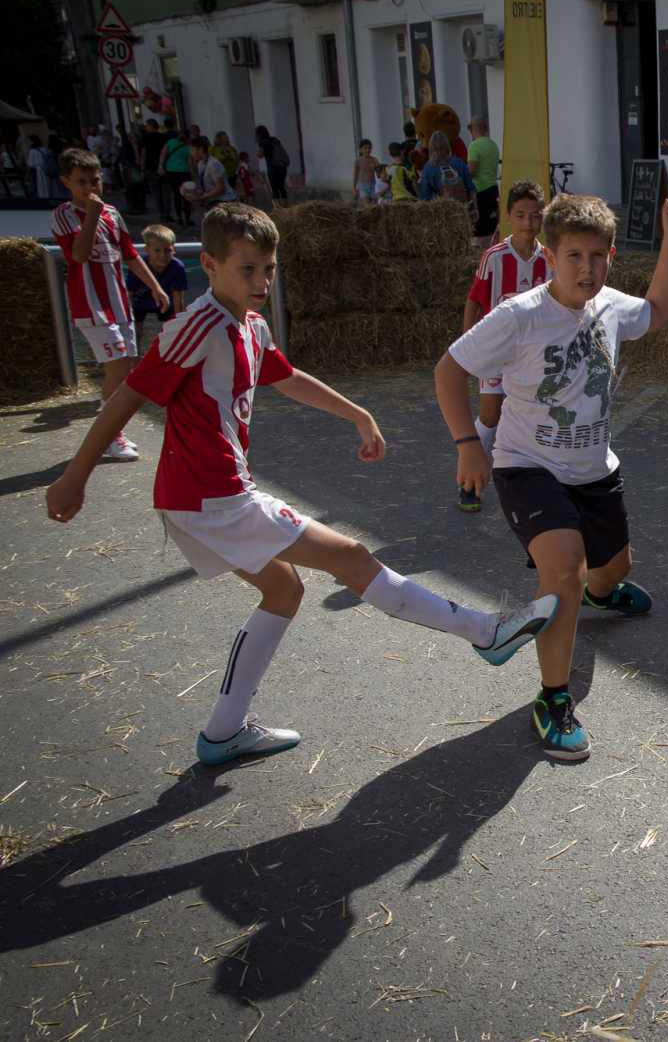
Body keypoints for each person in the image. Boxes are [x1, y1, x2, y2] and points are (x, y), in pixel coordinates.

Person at [44, 203, 558, 768]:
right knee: (354, 557)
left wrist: (357, 413)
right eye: (248, 269)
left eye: (269, 268)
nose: (262, 280)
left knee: (284, 590)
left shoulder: (251, 324)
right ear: (209, 265)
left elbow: (285, 378)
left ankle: (224, 731)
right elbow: (130, 394)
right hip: (214, 495)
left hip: (199, 499)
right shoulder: (197, 326)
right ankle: (485, 632)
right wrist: (76, 475)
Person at [433, 194, 668, 760]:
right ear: (549, 255)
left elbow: (659, 309)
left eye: (598, 256)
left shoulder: (610, 308)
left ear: (611, 256)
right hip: (526, 466)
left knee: (610, 570)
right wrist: (466, 446)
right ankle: (553, 698)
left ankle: (604, 591)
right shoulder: (519, 315)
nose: (587, 268)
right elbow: (449, 370)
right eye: (573, 255)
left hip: (594, 471)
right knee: (565, 571)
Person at [50, 147, 169, 463]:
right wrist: (91, 214)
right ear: (66, 182)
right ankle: (109, 434)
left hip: (119, 303)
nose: (90, 188)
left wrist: (155, 287)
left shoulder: (113, 214)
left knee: (127, 369)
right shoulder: (63, 215)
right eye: (81, 182)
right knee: (117, 368)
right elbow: (78, 254)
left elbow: (130, 256)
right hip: (91, 306)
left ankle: (111, 430)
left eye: (95, 180)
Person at [453, 179, 554, 512]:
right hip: (497, 353)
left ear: (543, 217)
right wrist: (470, 347)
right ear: (509, 216)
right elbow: (474, 301)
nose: (528, 222)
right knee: (491, 415)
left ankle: (535, 483)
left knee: (535, 416)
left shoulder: (550, 260)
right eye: (521, 215)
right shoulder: (494, 258)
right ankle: (470, 483)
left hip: (534, 357)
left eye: (535, 215)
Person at [126, 222, 188, 350]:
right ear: (147, 249)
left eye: (168, 250)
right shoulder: (140, 266)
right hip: (140, 299)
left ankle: (170, 351)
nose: (163, 255)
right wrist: (127, 318)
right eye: (157, 250)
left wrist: (180, 324)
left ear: (174, 249)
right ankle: (134, 355)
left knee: (172, 328)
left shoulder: (177, 267)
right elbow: (129, 293)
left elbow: (178, 299)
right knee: (135, 331)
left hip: (165, 300)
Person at [466, 117, 501, 247]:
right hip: (493, 187)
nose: (470, 132)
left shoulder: (474, 146)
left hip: (480, 189)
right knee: (492, 226)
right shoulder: (493, 145)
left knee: (480, 229)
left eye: (470, 128)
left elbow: (471, 171)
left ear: (475, 129)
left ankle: (483, 258)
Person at [418, 131, 474, 203]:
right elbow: (471, 189)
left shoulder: (427, 168)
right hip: (462, 208)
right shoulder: (459, 163)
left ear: (431, 148)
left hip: (440, 210)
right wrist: (474, 210)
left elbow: (425, 197)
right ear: (447, 146)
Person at [185, 137, 235, 214]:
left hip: (224, 202)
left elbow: (221, 188)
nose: (191, 153)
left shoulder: (213, 164)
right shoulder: (201, 164)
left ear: (201, 150)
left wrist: (201, 197)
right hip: (213, 202)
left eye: (192, 150)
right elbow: (207, 185)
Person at [162, 124, 193, 226]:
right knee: (187, 196)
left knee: (177, 195)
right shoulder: (188, 147)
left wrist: (160, 167)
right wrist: (192, 173)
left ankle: (179, 217)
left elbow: (163, 154)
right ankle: (188, 219)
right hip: (184, 172)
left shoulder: (170, 142)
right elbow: (189, 162)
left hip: (171, 172)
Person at [255, 125, 291, 206]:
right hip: (282, 166)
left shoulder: (263, 142)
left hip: (273, 167)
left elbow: (260, 155)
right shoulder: (275, 140)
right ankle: (286, 206)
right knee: (282, 186)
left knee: (274, 188)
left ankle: (277, 208)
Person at [141, 119, 169, 218]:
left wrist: (142, 168)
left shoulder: (145, 138)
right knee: (165, 190)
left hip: (150, 167)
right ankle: (167, 212)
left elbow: (144, 153)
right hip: (163, 166)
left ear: (150, 126)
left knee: (156, 191)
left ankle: (161, 213)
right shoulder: (164, 137)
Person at [352, 138, 379, 204]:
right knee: (366, 204)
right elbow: (355, 176)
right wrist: (353, 188)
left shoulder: (374, 160)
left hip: (373, 184)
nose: (368, 150)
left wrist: (376, 167)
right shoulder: (358, 161)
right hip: (363, 186)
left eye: (369, 148)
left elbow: (379, 174)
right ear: (360, 150)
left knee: (374, 204)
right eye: (365, 148)